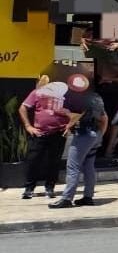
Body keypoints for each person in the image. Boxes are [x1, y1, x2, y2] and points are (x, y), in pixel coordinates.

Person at [50, 71, 107, 209]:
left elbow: (72, 115)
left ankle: (67, 199)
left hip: (83, 135)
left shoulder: (74, 98)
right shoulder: (96, 97)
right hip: (95, 134)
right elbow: (104, 117)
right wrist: (100, 136)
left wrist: (67, 121)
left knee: (73, 166)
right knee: (88, 166)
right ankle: (88, 197)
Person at [18, 75, 69, 200]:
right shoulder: (37, 93)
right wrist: (28, 126)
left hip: (59, 133)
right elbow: (22, 108)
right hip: (40, 133)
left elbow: (76, 111)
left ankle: (49, 188)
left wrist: (69, 125)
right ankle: (29, 189)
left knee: (54, 162)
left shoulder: (66, 95)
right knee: (33, 161)